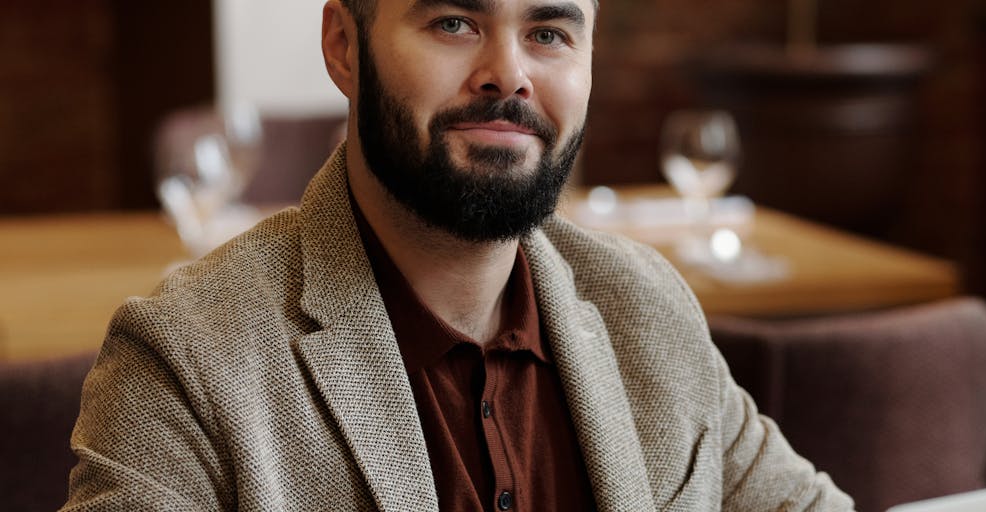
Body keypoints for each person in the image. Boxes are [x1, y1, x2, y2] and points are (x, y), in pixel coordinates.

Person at [63, 0, 854, 510]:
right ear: (344, 47)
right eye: (454, 23)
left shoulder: (645, 304)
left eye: (548, 33)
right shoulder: (184, 359)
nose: (507, 74)